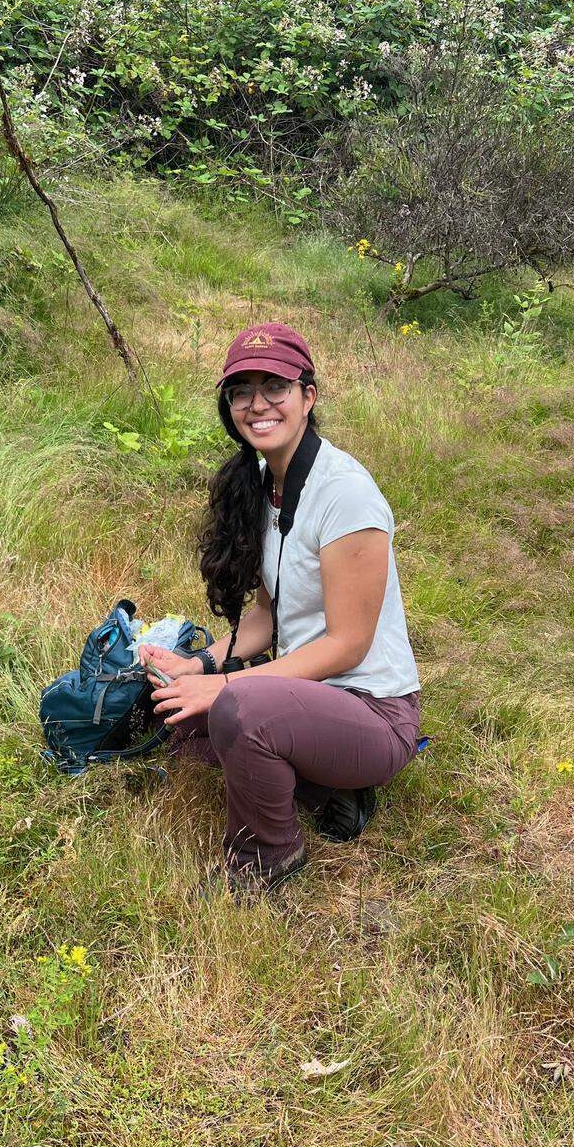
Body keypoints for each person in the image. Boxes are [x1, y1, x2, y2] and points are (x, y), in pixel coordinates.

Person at [139, 321, 421, 898]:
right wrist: (197, 667)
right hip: (307, 698)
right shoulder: (263, 481)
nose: (257, 405)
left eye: (276, 388)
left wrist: (226, 691)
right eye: (242, 391)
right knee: (176, 709)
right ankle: (326, 791)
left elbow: (348, 645)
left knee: (239, 710)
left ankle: (265, 860)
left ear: (307, 397)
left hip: (373, 713)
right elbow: (268, 619)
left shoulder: (346, 494)